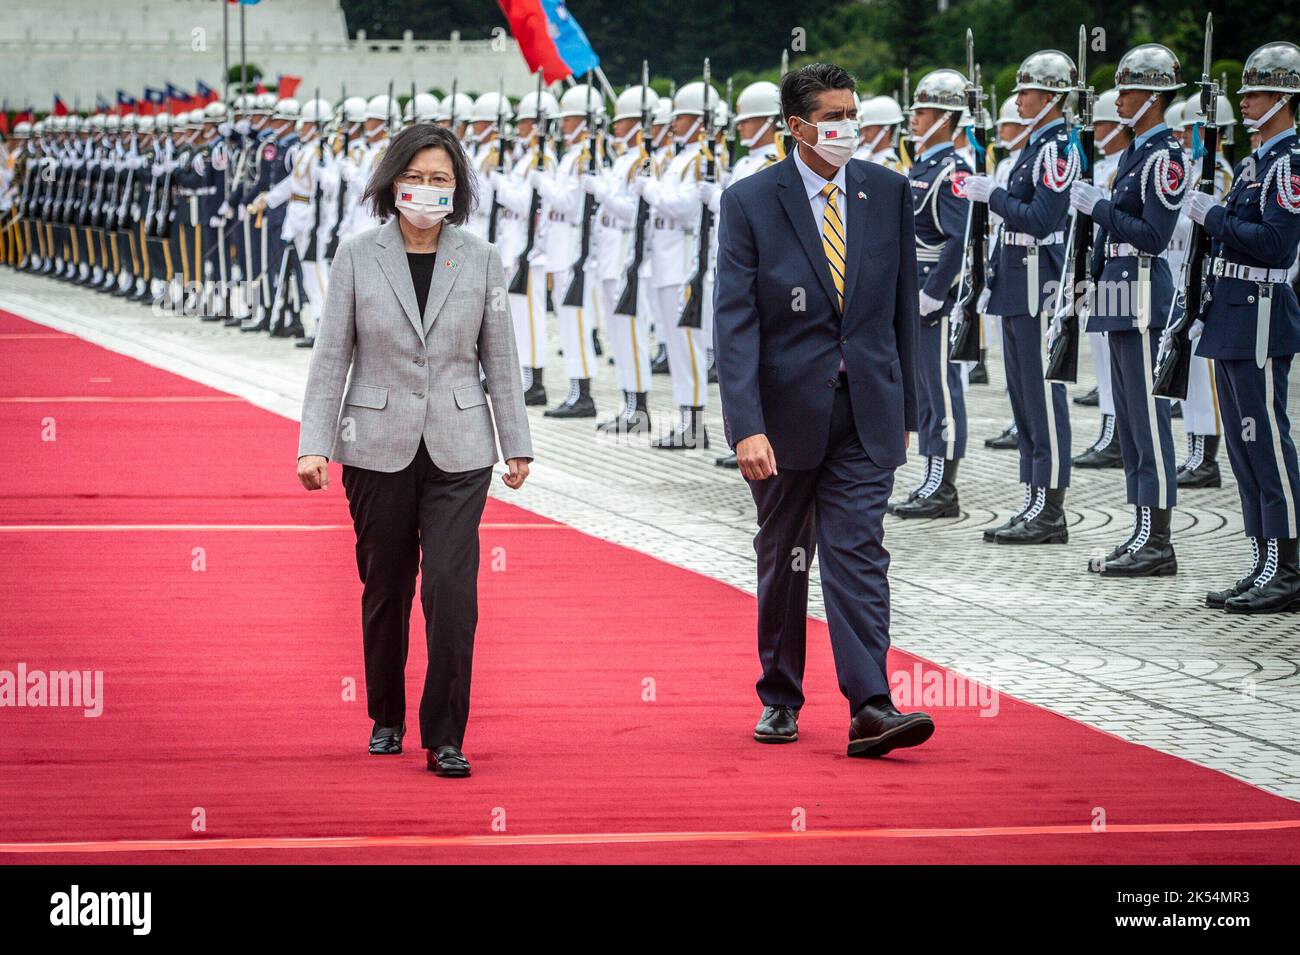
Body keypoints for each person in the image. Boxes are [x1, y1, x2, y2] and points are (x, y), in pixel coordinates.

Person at [296, 124, 534, 776]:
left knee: (453, 590)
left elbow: (500, 357)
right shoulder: (357, 255)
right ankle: (385, 713)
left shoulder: (481, 257)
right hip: (375, 444)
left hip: (461, 447)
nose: (428, 190)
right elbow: (331, 355)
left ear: (457, 190)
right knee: (387, 585)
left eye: (441, 180)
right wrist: (314, 444)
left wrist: (517, 442)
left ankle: (445, 733)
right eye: (418, 177)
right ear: (393, 182)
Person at [714, 62, 934, 759]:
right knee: (786, 556)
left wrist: (911, 406)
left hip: (866, 410)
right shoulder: (751, 201)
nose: (848, 128)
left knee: (857, 550)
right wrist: (745, 423)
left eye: (853, 113)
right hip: (782, 419)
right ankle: (780, 693)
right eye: (833, 117)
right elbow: (736, 321)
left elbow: (905, 311)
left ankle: (871, 703)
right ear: (796, 126)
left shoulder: (888, 191)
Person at [1188, 41, 1300, 613]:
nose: (1246, 100)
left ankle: (1289, 564)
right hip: (1231, 313)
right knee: (1241, 445)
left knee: (1268, 442)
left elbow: (1277, 246)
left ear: (1283, 96)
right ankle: (1262, 559)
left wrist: (1213, 215)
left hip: (1259, 313)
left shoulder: (1290, 164)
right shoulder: (1258, 162)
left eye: (1255, 92)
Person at [1071, 43, 1186, 577]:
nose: (1118, 98)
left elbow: (1153, 236)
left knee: (1148, 420)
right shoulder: (1137, 152)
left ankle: (1158, 540)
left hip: (1142, 292)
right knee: (1129, 418)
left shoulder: (1165, 156)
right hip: (1119, 291)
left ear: (1153, 97)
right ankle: (1141, 529)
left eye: (1129, 89)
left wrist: (1098, 208)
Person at [964, 49, 1078, 545]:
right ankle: (1033, 497)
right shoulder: (1035, 146)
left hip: (1038, 279)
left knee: (1042, 396)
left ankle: (1051, 508)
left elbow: (1041, 219)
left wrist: (992, 195)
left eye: (1028, 91)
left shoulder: (1057, 148)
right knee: (1022, 397)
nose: (1020, 100)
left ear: (1052, 97)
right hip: (1016, 276)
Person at [889, 68, 971, 519]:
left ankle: (944, 485)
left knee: (941, 387)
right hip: (914, 287)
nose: (915, 118)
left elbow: (959, 239)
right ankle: (930, 476)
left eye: (922, 111)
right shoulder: (921, 166)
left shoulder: (952, 170)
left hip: (934, 295)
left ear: (944, 117)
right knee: (922, 388)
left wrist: (936, 292)